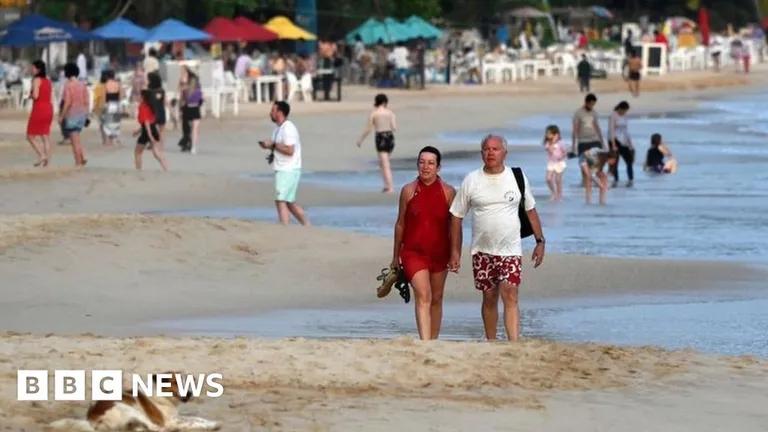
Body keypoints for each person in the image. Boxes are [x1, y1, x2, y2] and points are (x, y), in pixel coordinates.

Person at [448, 135, 545, 341]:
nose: (490, 152)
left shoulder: (516, 177)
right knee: (489, 297)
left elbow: (531, 210)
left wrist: (540, 241)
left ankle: (513, 343)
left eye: (495, 149)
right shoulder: (472, 180)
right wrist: (455, 251)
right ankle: (491, 341)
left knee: (510, 293)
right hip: (482, 250)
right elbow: (456, 215)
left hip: (510, 249)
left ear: (504, 153)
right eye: (486, 149)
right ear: (481, 153)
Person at [388, 146, 455, 340]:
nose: (425, 167)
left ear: (438, 167)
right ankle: (425, 343)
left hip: (440, 253)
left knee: (436, 298)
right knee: (423, 294)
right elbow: (400, 224)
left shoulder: (448, 192)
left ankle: (433, 341)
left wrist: (455, 253)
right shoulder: (408, 191)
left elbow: (455, 227)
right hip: (413, 253)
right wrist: (395, 256)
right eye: (422, 162)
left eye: (430, 163)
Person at [259, 101, 309, 226]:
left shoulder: (288, 128)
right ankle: (307, 226)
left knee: (280, 200)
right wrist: (270, 149)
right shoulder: (278, 129)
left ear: (280, 113)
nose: (271, 113)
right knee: (289, 202)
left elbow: (290, 150)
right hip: (284, 168)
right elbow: (279, 147)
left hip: (288, 169)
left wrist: (274, 145)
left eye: (273, 110)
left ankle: (284, 227)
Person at [356, 93, 397, 193]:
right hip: (390, 137)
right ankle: (386, 185)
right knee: (383, 163)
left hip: (380, 137)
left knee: (385, 164)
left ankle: (390, 187)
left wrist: (360, 140)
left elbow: (368, 129)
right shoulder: (390, 113)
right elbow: (394, 127)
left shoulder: (374, 113)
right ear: (385, 102)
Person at [59, 63, 88, 167]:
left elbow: (67, 102)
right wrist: (86, 115)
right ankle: (82, 156)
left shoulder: (68, 86)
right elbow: (86, 101)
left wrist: (61, 116)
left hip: (72, 115)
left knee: (74, 141)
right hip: (81, 115)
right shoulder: (82, 85)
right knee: (77, 138)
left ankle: (78, 162)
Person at [26, 60, 53, 167]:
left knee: (30, 136)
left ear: (38, 69)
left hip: (39, 109)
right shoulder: (48, 81)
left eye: (33, 68)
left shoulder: (36, 80)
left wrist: (30, 96)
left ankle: (42, 155)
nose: (31, 70)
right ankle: (47, 161)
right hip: (49, 108)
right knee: (45, 135)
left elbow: (36, 96)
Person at [133, 90, 168, 171]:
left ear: (143, 97)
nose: (138, 97)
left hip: (148, 131)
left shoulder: (143, 106)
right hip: (152, 129)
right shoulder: (151, 106)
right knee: (156, 153)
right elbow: (148, 123)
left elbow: (146, 123)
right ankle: (165, 167)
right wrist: (138, 131)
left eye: (139, 95)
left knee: (137, 152)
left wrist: (150, 136)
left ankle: (138, 170)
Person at [609, 101, 634, 188]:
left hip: (623, 141)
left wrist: (630, 143)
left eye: (626, 111)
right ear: (619, 108)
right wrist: (613, 145)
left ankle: (630, 180)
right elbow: (611, 130)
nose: (624, 112)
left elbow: (626, 131)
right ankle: (615, 180)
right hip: (614, 140)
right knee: (615, 162)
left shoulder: (625, 116)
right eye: (623, 110)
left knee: (629, 161)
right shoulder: (613, 115)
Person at [94, 70, 122, 147]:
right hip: (116, 104)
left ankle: (108, 141)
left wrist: (102, 107)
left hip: (109, 104)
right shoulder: (118, 84)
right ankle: (114, 140)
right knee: (115, 122)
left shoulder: (106, 85)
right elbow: (120, 96)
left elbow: (104, 97)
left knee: (107, 123)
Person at [177, 66, 202, 154]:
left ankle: (193, 145)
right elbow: (181, 94)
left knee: (194, 127)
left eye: (183, 71)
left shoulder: (192, 81)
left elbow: (184, 92)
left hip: (192, 106)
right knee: (189, 127)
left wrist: (183, 86)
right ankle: (190, 144)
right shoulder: (184, 81)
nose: (182, 73)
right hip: (188, 107)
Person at [543, 125, 566, 201]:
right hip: (551, 163)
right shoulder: (548, 143)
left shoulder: (561, 143)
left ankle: (559, 195)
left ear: (556, 134)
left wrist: (562, 157)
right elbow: (550, 150)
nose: (547, 135)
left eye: (549, 133)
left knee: (558, 180)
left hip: (559, 163)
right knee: (548, 179)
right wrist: (552, 142)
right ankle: (553, 192)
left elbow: (564, 152)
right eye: (547, 133)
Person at [147, 72, 167, 146]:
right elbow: (164, 102)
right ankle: (160, 144)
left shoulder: (149, 91)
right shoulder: (162, 90)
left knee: (152, 128)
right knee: (161, 130)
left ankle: (152, 143)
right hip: (161, 111)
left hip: (152, 112)